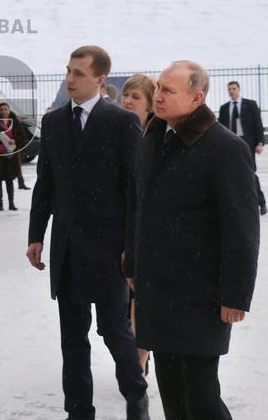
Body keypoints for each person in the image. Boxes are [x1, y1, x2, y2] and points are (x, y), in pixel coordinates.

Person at [125, 60, 260, 420]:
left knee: (201, 398)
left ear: (197, 98)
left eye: (169, 90)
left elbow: (242, 229)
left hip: (201, 293)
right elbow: (139, 208)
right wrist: (133, 263)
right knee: (172, 395)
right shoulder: (154, 137)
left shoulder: (225, 148)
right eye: (159, 87)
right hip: (158, 289)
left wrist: (235, 295)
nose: (158, 96)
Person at [27, 45, 149, 420]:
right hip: (68, 248)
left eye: (78, 73)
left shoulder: (121, 122)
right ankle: (79, 412)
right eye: (68, 71)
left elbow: (135, 192)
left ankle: (136, 396)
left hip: (109, 249)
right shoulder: (53, 123)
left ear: (100, 79)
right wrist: (36, 236)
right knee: (73, 339)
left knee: (114, 330)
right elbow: (45, 184)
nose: (70, 79)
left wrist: (131, 247)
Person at [119, 72, 156, 377]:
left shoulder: (155, 139)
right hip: (119, 228)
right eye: (125, 95)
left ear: (150, 104)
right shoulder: (117, 131)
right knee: (124, 306)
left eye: (136, 97)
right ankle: (136, 359)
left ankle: (140, 362)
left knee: (141, 302)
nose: (128, 101)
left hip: (145, 232)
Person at [217, 81, 268, 215]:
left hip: (246, 144)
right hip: (229, 144)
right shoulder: (224, 108)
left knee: (250, 173)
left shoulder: (250, 105)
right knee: (230, 174)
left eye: (234, 88)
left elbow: (258, 124)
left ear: (239, 89)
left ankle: (261, 202)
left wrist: (260, 143)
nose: (231, 91)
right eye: (229, 89)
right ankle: (236, 204)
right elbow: (220, 129)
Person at [0, 101, 28, 211]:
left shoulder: (15, 122)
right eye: (2, 109)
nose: (4, 111)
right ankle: (0, 204)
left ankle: (11, 203)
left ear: (9, 110)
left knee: (9, 180)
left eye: (6, 109)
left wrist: (15, 140)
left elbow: (22, 137)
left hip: (11, 155)